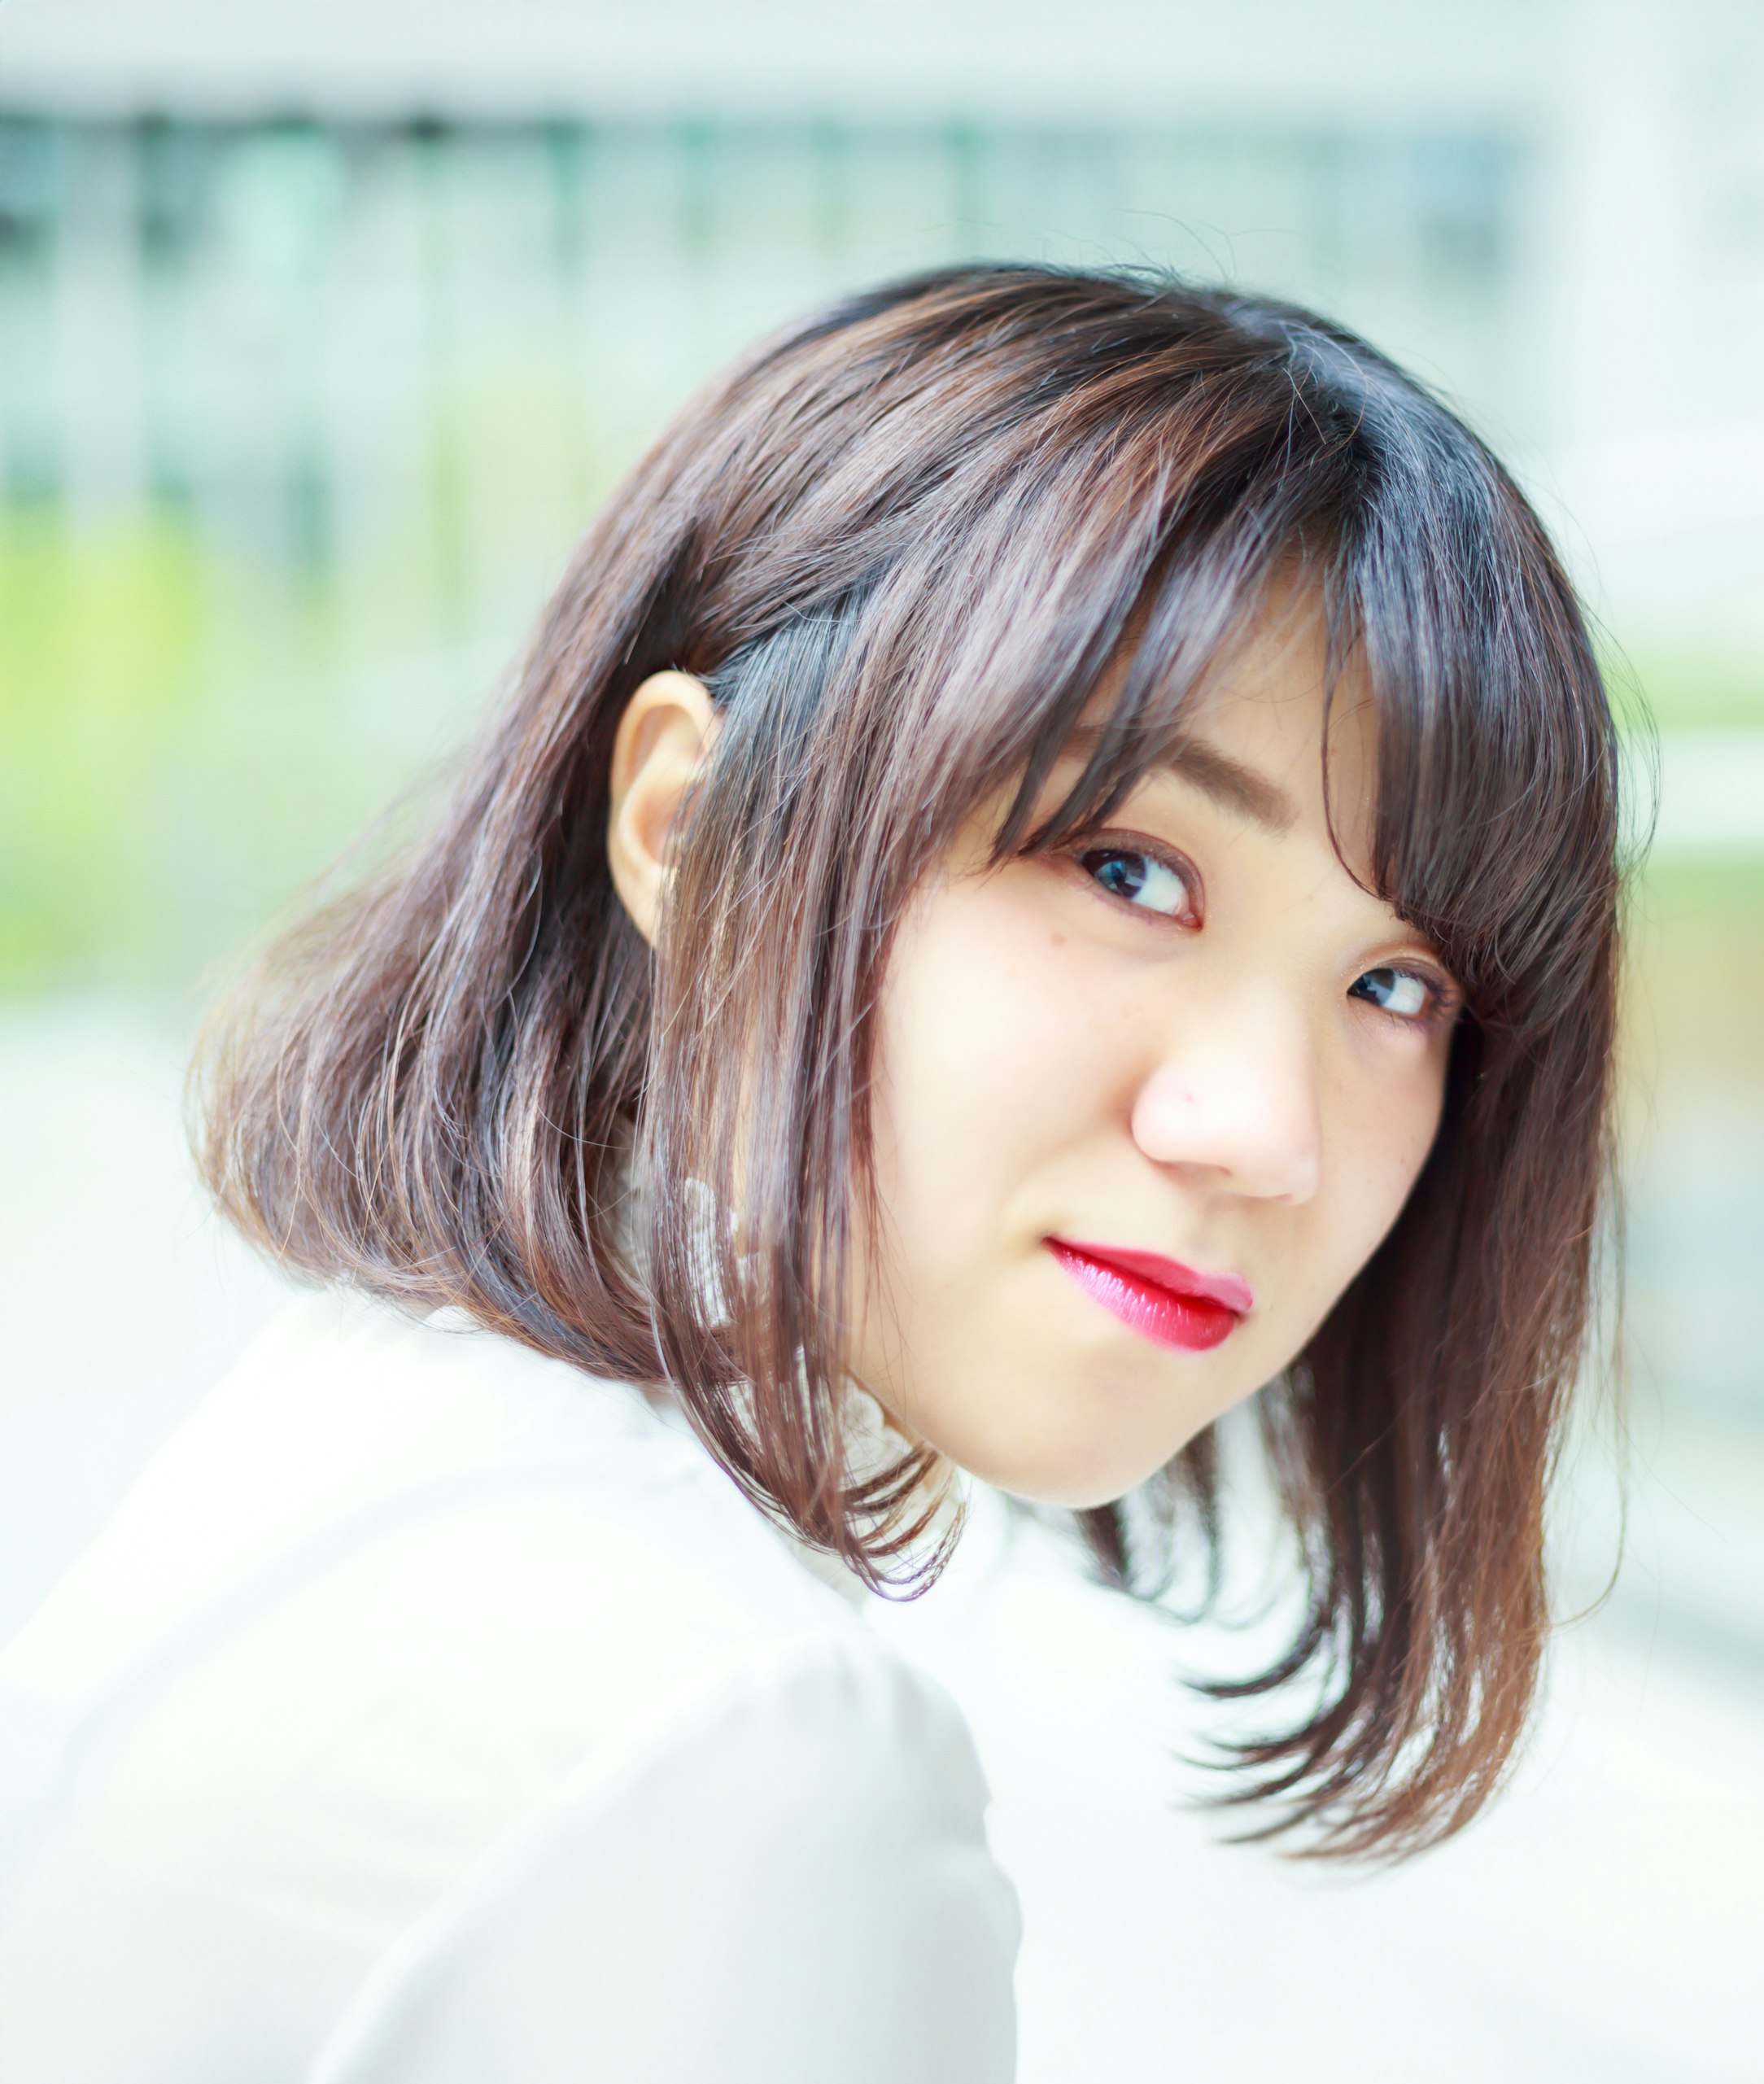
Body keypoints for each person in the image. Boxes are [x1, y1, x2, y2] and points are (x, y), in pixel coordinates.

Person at [0, 266, 1623, 2080]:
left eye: (1393, 988)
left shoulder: (395, 1419)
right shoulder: (727, 1749)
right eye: (1128, 870)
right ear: (688, 828)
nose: (1268, 1126)